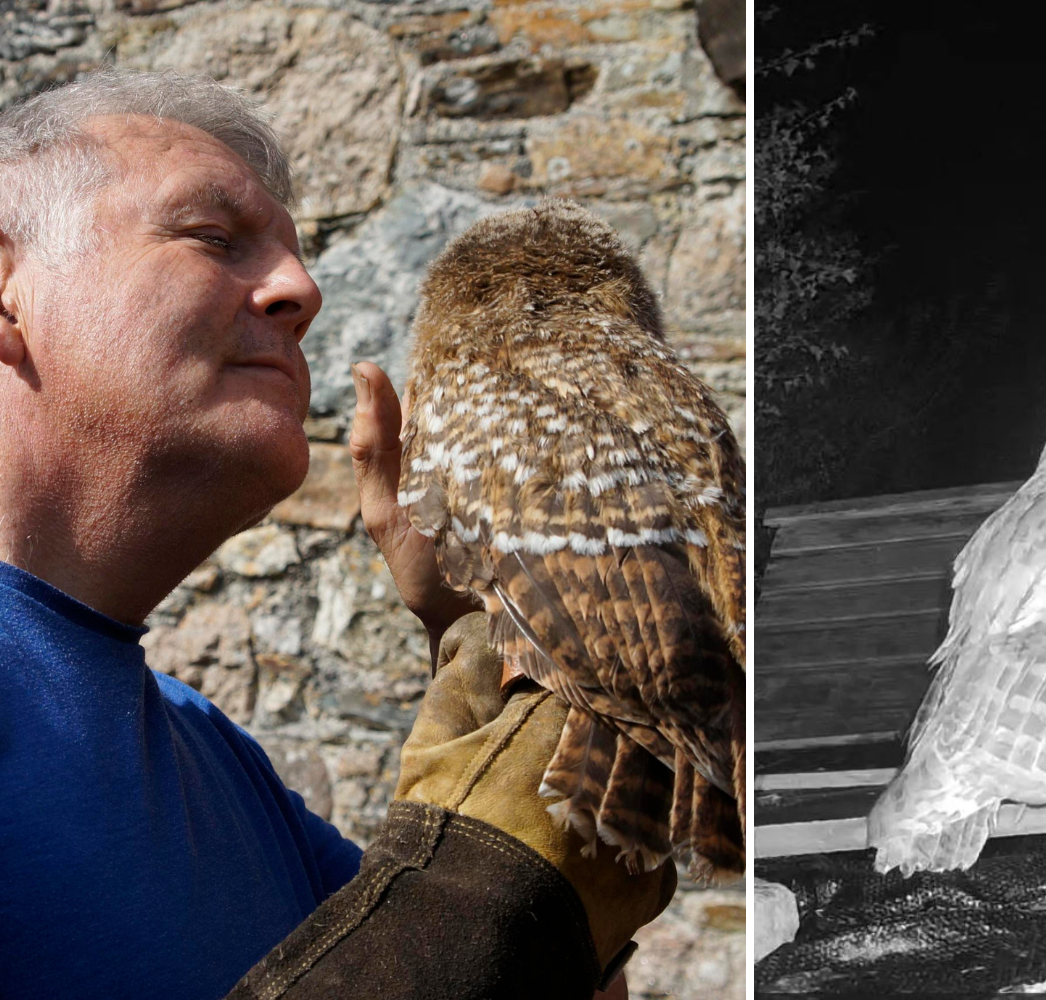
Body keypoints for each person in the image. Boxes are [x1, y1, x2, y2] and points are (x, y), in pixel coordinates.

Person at [0, 69, 673, 999]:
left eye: (293, 257)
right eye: (213, 237)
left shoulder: (219, 760)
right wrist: (495, 877)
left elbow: (545, 978)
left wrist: (492, 642)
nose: (301, 290)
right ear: (6, 289)